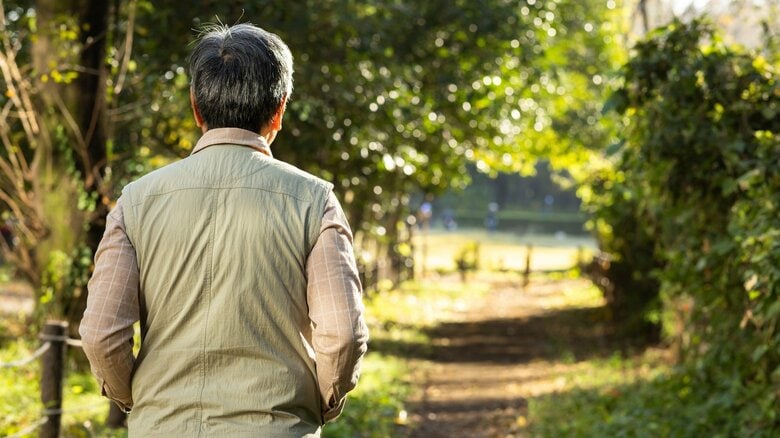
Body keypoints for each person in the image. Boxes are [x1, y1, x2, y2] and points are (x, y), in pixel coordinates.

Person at [79, 23, 368, 437]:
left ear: (196, 107)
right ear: (280, 109)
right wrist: (319, 402)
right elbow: (342, 334)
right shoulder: (315, 201)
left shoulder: (136, 201)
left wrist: (142, 400)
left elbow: (101, 334)